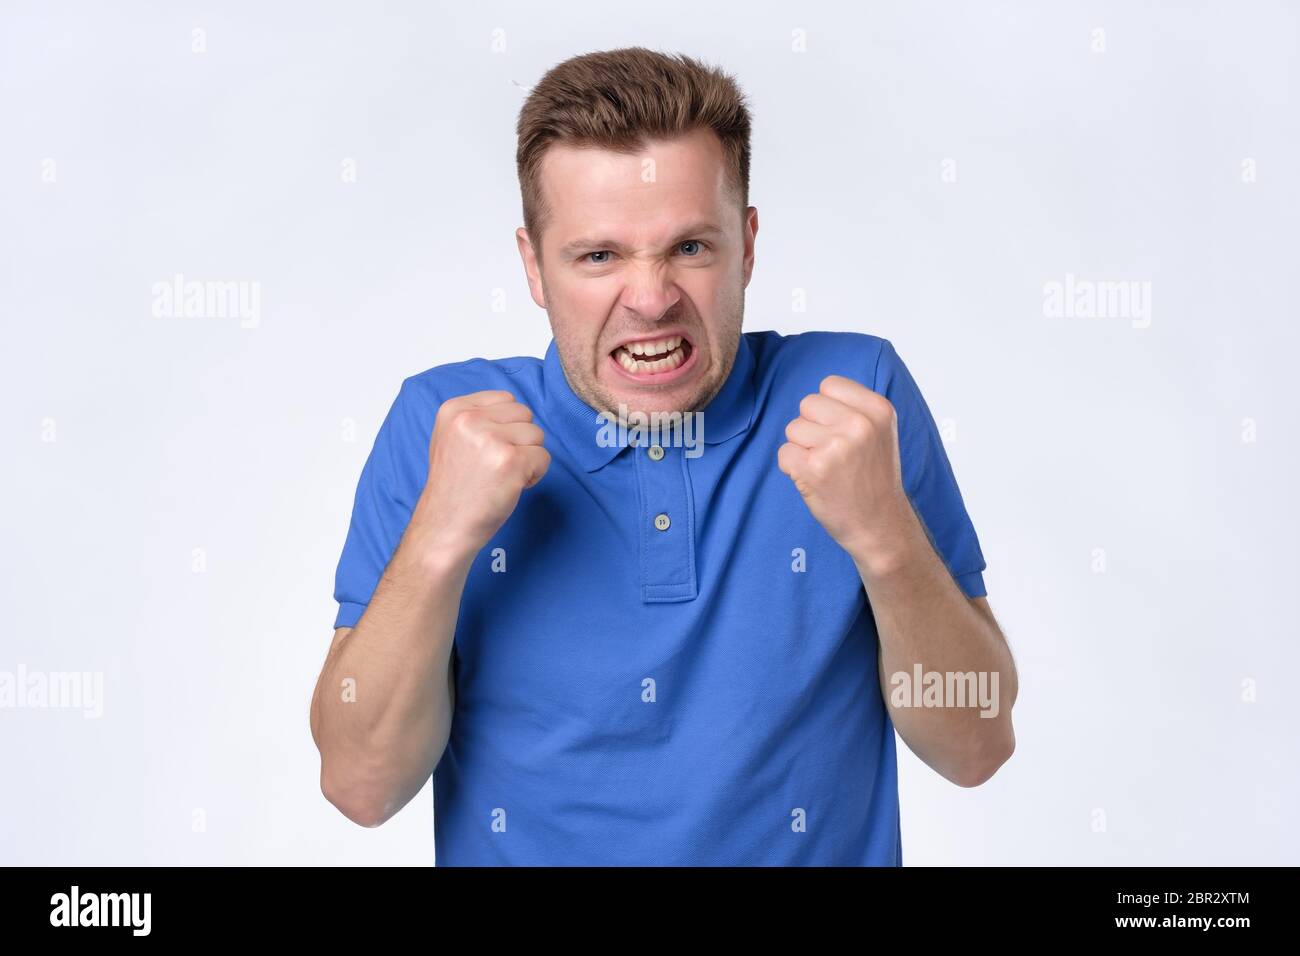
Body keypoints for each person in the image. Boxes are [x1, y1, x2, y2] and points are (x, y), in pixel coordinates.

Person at [310, 47, 1018, 865]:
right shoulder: (443, 424)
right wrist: (439, 540)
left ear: (747, 244)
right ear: (534, 266)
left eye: (690, 248)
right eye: (598, 256)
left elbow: (976, 746)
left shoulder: (856, 396)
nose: (650, 299)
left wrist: (887, 539)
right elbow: (361, 785)